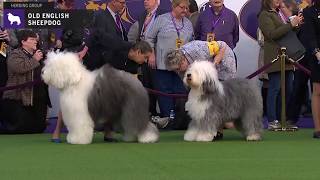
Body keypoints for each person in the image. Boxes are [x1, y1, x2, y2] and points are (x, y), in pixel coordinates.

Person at [145, 0, 193, 129]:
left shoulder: (188, 23)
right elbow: (148, 37)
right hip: (162, 65)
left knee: (180, 93)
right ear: (174, 6)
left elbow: (191, 43)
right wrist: (151, 54)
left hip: (180, 68)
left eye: (187, 8)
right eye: (182, 7)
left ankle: (181, 122)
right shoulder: (161, 19)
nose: (185, 10)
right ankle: (168, 123)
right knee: (164, 94)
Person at [258, 0, 303, 130]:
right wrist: (290, 25)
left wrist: (296, 24)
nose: (278, 0)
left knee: (288, 89)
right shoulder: (264, 15)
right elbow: (272, 34)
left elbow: (289, 33)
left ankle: (283, 119)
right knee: (275, 88)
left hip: (288, 57)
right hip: (275, 56)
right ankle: (272, 121)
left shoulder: (280, 13)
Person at [0, 30, 50, 134]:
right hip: (20, 97)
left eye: (35, 39)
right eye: (31, 39)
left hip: (39, 95)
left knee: (39, 127)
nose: (35, 41)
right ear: (23, 42)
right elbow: (19, 68)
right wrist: (34, 60)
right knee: (22, 128)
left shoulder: (40, 54)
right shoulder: (15, 54)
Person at [127, 0, 166, 117]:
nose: (145, 1)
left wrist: (152, 53)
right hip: (143, 56)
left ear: (157, 2)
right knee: (146, 86)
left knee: (157, 87)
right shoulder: (143, 15)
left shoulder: (163, 14)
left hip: (156, 56)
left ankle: (160, 115)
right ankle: (149, 114)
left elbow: (161, 37)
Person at [166, 40, 236, 81]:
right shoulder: (178, 65)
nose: (177, 72)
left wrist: (214, 64)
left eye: (178, 69)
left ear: (183, 61)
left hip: (224, 59)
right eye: (175, 70)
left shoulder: (197, 49)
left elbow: (222, 45)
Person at [303, 0, 320, 138]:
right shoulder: (309, 12)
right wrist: (317, 53)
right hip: (317, 56)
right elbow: (310, 36)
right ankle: (318, 129)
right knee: (317, 90)